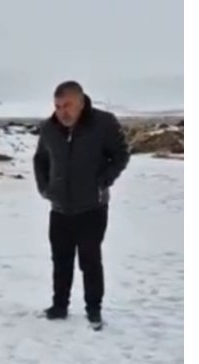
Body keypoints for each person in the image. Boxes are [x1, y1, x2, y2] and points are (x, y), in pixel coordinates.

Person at [32, 80, 130, 330]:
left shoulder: (103, 123)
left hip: (92, 207)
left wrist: (103, 181)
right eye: (57, 106)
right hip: (60, 207)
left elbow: (120, 154)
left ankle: (93, 309)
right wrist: (45, 188)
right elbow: (40, 159)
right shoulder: (49, 128)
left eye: (67, 105)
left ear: (81, 102)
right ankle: (59, 306)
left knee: (90, 260)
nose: (62, 111)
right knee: (60, 260)